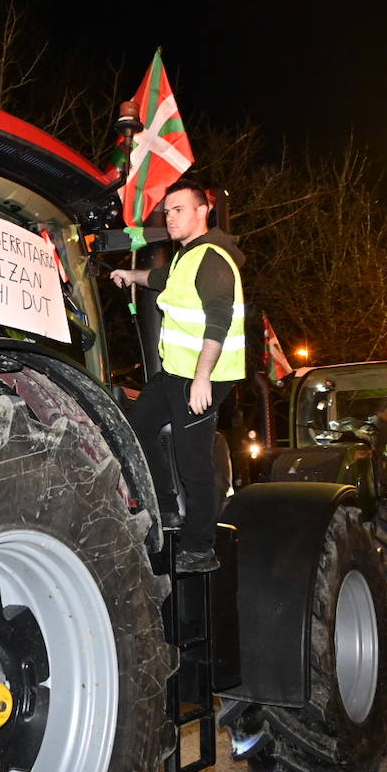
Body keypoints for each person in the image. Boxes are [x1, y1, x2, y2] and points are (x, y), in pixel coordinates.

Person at [109, 179, 245, 573]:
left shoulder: (214, 258)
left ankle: (200, 549)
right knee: (136, 429)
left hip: (200, 378)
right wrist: (128, 275)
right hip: (175, 374)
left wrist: (203, 378)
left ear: (203, 211)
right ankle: (165, 507)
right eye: (167, 212)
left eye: (179, 210)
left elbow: (219, 322)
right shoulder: (188, 256)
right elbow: (162, 279)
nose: (170, 218)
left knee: (194, 464)